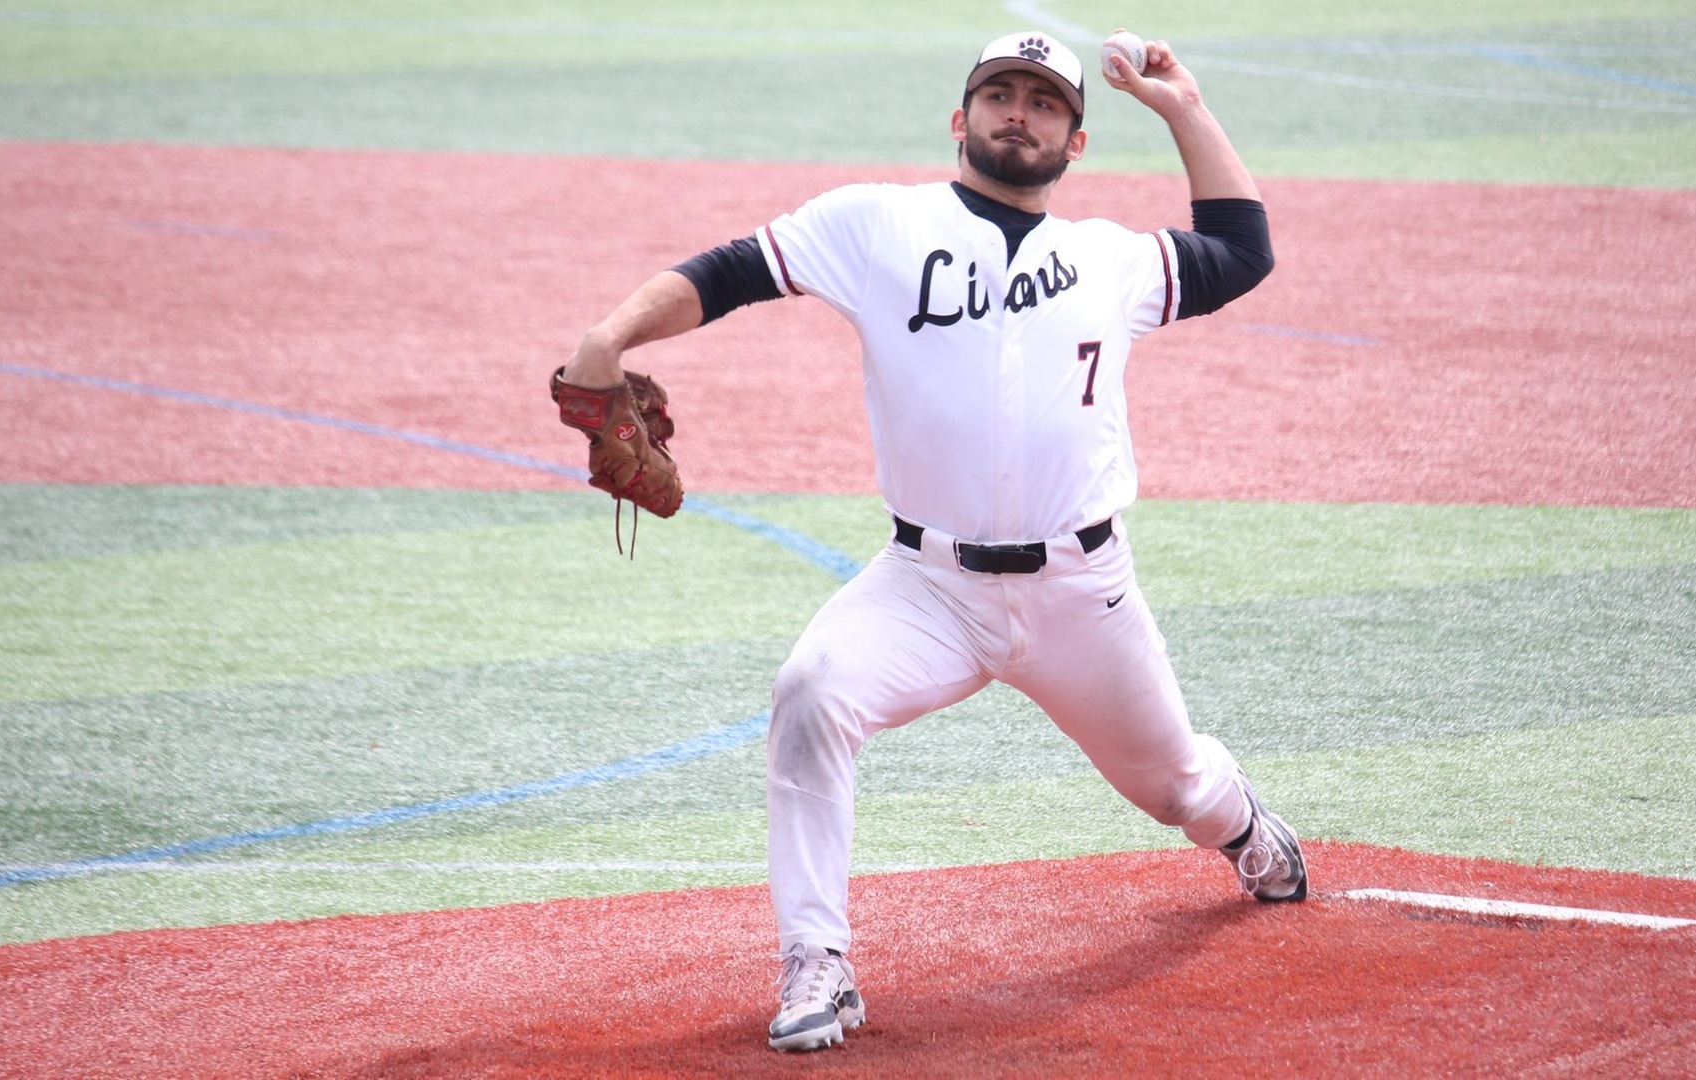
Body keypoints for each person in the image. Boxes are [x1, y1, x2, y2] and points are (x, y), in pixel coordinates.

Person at [558, 30, 1306, 1053]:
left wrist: (1185, 109)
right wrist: (610, 340)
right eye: (1000, 93)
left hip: (1083, 595)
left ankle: (1243, 826)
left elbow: (1242, 252)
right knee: (812, 692)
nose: (1019, 112)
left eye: (1044, 103)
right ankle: (816, 959)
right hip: (927, 588)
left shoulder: (1111, 260)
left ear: (1076, 140)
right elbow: (731, 271)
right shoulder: (878, 226)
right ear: (961, 121)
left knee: (1177, 784)